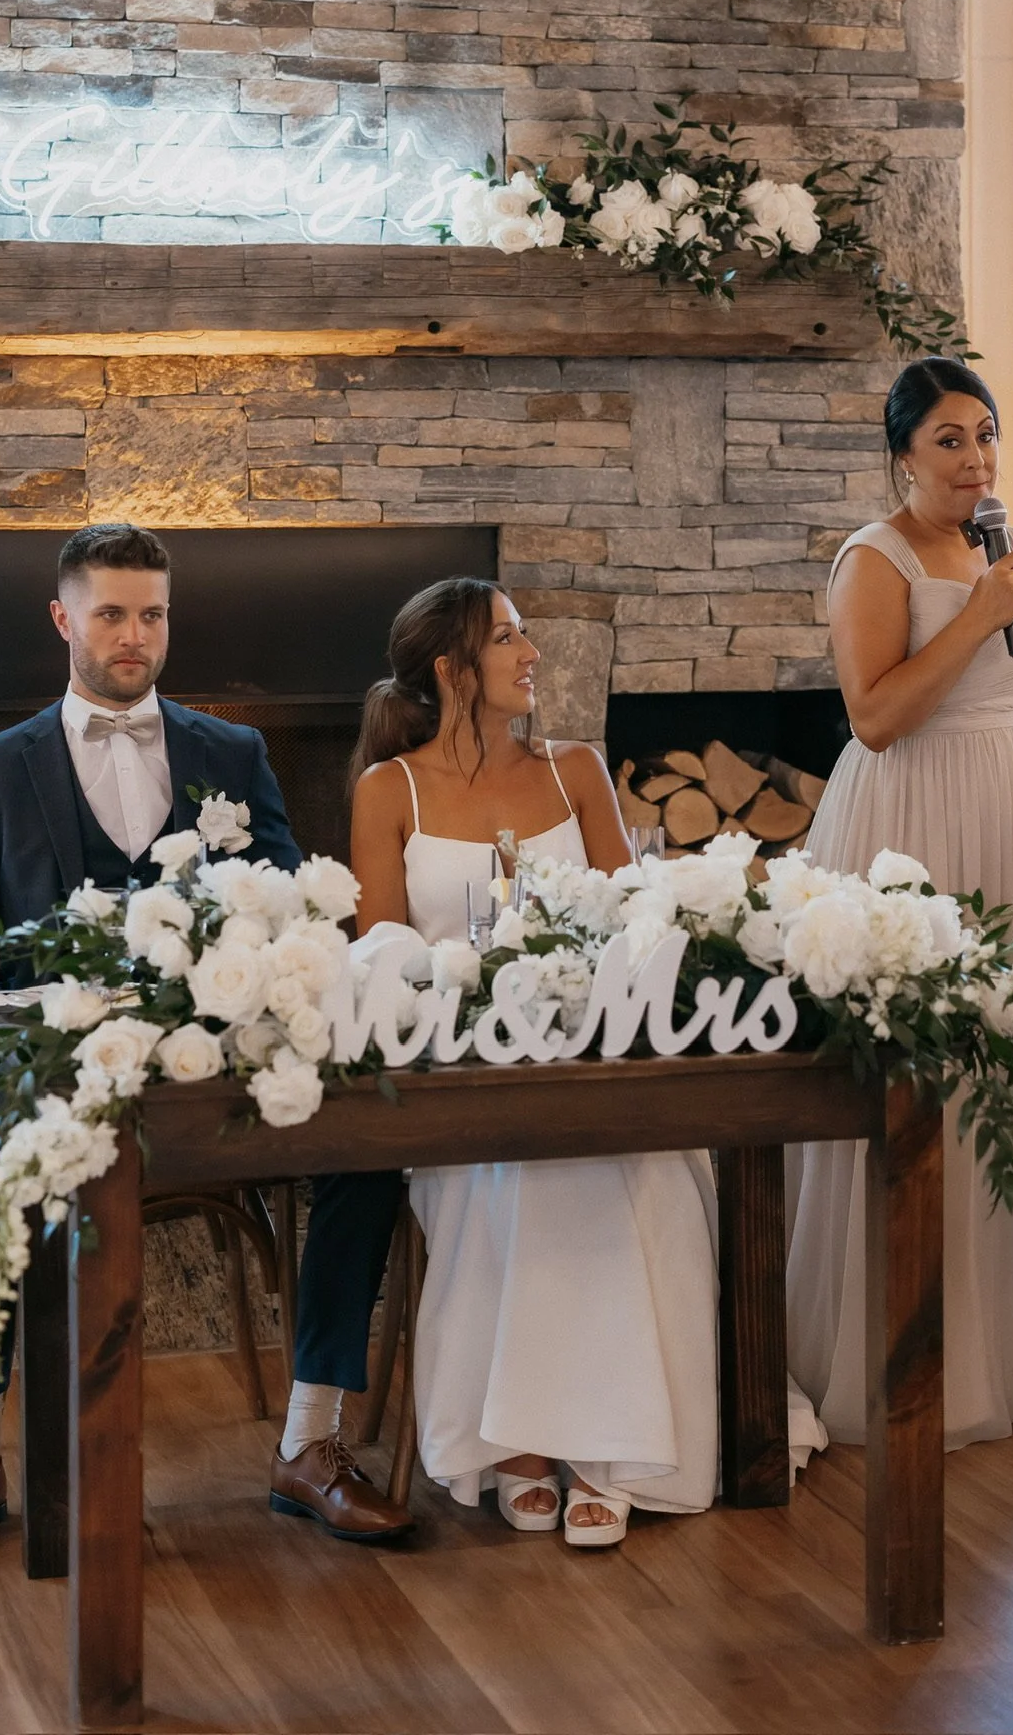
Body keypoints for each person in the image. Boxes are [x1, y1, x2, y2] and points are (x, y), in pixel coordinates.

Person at [0, 522, 411, 1562]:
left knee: (367, 1150)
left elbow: (295, 913)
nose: (135, 636)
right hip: (61, 1082)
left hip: (218, 1079)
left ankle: (311, 1445)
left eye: (153, 615)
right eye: (113, 613)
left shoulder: (234, 752)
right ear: (64, 619)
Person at [785, 357, 1013, 1447]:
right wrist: (981, 609)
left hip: (1009, 816)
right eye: (949, 439)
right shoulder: (874, 560)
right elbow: (878, 715)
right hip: (914, 825)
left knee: (1011, 1066)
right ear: (901, 453)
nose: (976, 458)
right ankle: (891, 1351)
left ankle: (1012, 1352)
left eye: (985, 436)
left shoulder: (1006, 541)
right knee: (922, 1072)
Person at [349, 577, 719, 1547]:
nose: (532, 652)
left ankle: (612, 1445)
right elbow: (378, 958)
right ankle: (520, 1438)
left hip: (589, 1062)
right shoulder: (387, 792)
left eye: (525, 634)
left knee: (630, 1160)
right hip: (459, 1086)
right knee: (520, 1173)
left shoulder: (579, 772)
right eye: (508, 637)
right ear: (452, 668)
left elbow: (638, 925)